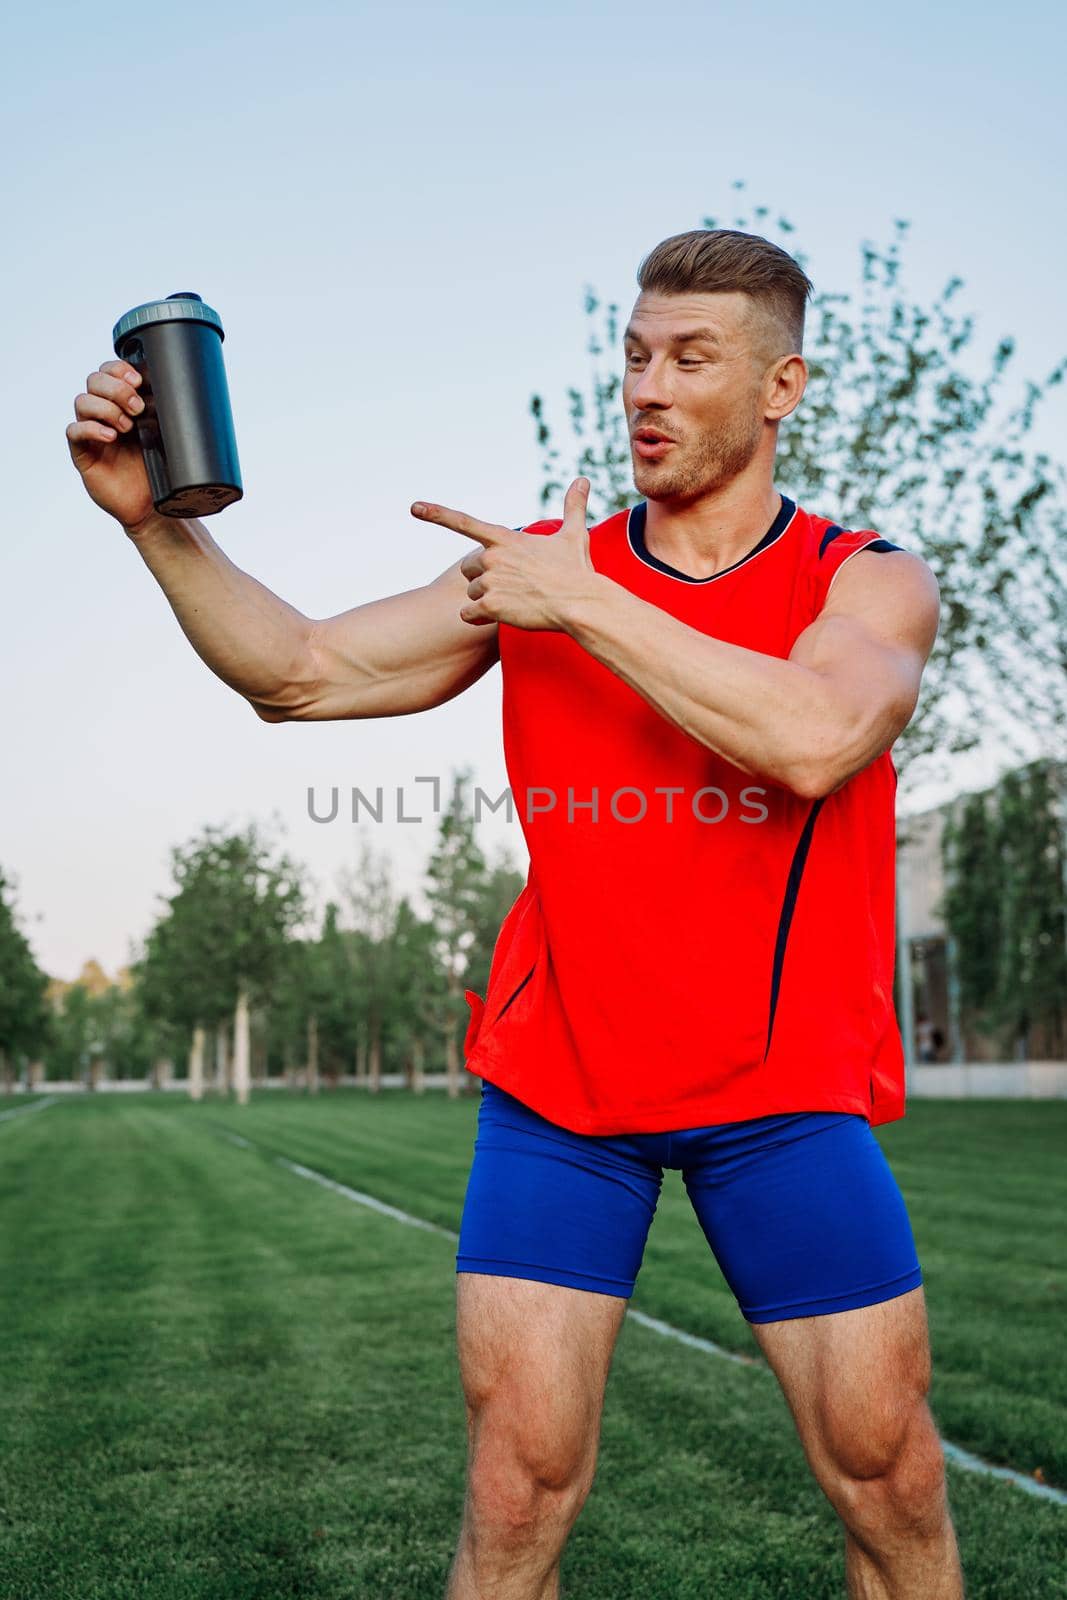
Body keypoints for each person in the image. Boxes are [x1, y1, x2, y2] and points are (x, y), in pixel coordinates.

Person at [67, 228, 963, 1599]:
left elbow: (815, 734)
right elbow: (299, 672)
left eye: (692, 359)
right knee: (515, 1488)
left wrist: (587, 608)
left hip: (784, 1094)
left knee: (890, 1480)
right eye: (634, 356)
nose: (648, 389)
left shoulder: (865, 578)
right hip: (565, 1092)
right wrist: (157, 525)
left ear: (783, 388)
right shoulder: (537, 568)